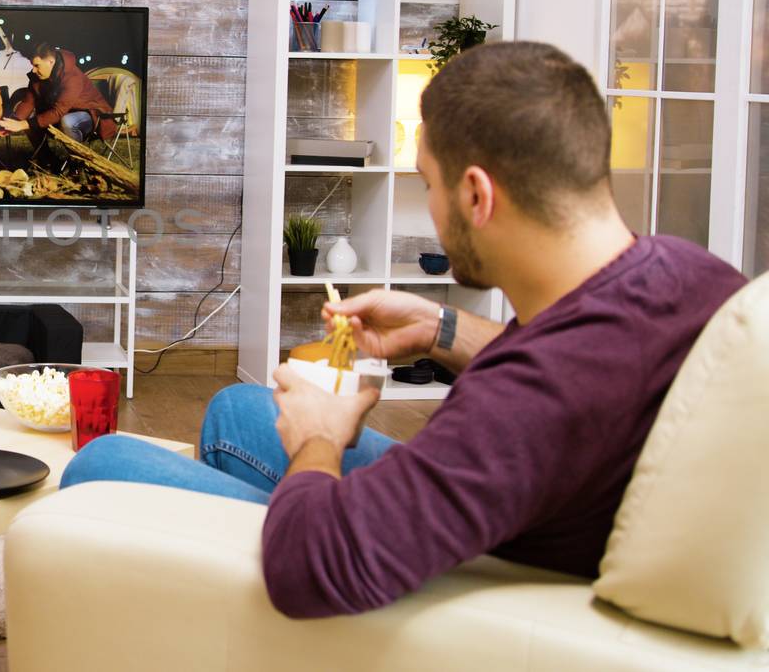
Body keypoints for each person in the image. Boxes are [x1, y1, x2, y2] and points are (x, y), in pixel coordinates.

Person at [61, 42, 747, 617]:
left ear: (477, 195)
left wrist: (321, 437)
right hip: (532, 501)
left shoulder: (524, 400)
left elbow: (310, 568)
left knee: (101, 467)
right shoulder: (686, 273)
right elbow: (583, 375)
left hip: (453, 577)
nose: (432, 206)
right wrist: (441, 327)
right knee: (241, 411)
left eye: (429, 184)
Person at [1, 43, 117, 144]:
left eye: (37, 65)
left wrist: (24, 124)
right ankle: (48, 160)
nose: (34, 70)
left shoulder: (72, 76)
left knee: (67, 121)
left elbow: (58, 111)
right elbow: (28, 102)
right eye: (32, 65)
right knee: (29, 119)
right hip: (61, 114)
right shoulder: (38, 76)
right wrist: (14, 121)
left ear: (51, 62)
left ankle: (75, 163)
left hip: (92, 116)